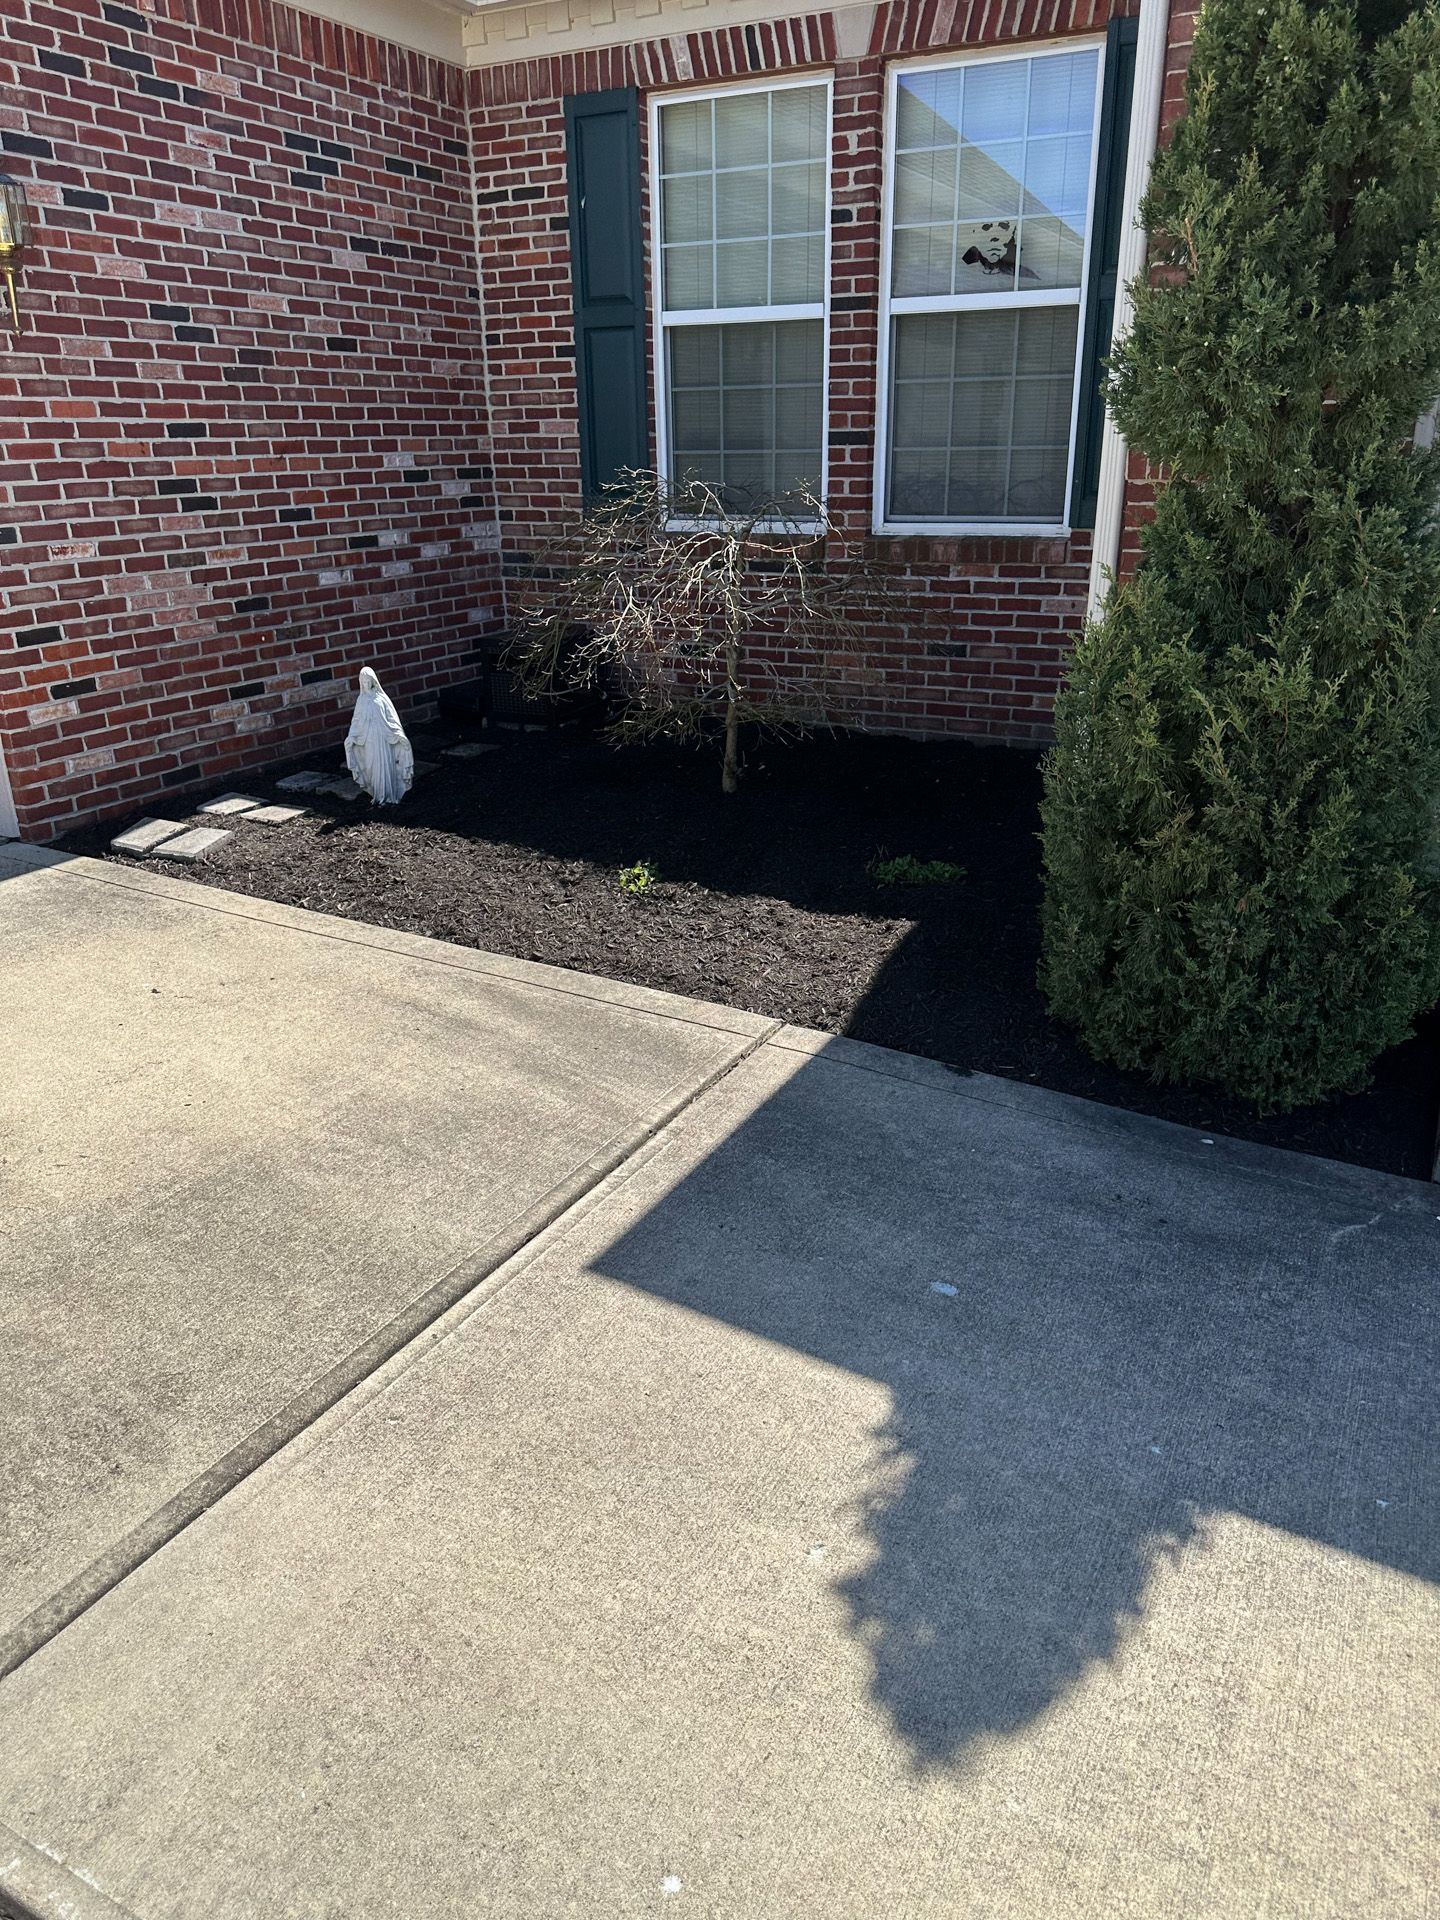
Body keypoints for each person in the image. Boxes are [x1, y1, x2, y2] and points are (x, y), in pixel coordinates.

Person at [344, 666, 414, 805]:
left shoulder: (382, 699)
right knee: (371, 766)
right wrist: (352, 736)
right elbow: (356, 721)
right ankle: (377, 795)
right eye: (363, 681)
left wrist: (399, 734)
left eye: (368, 680)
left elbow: (392, 718)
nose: (366, 684)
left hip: (383, 738)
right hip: (368, 739)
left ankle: (389, 795)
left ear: (373, 681)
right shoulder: (361, 700)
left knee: (386, 765)